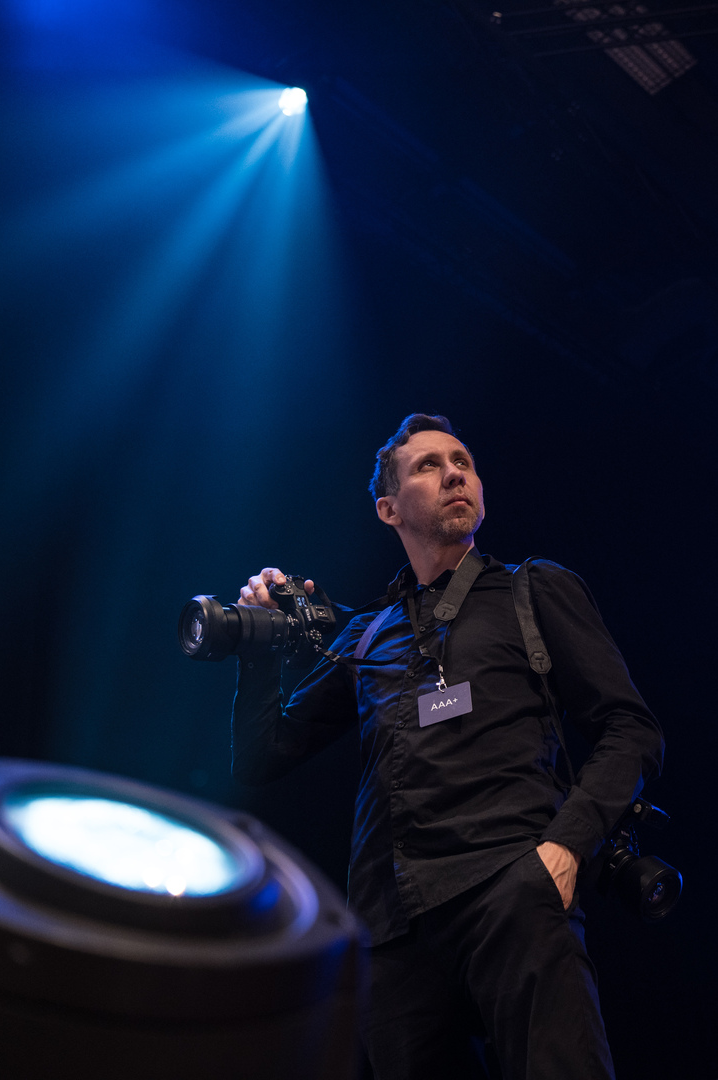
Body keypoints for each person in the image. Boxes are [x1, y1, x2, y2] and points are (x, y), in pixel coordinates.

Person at [230, 413, 664, 1080]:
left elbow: (630, 728)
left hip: (510, 885)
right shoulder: (367, 635)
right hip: (393, 927)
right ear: (388, 508)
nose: (454, 473)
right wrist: (259, 646)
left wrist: (565, 847)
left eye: (462, 462)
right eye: (428, 466)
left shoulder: (530, 589)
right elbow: (262, 757)